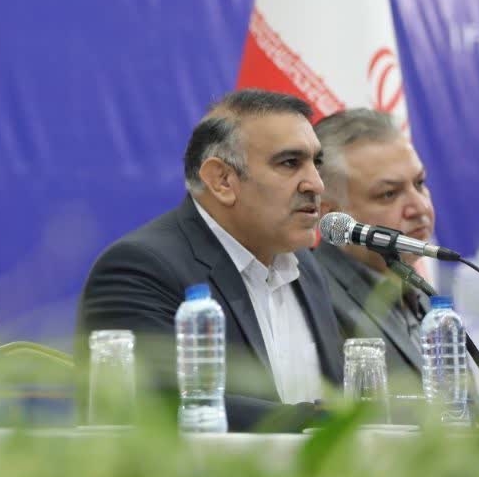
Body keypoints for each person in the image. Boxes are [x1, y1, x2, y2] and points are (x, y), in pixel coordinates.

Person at [77, 88, 343, 431]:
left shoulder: (305, 266)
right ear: (222, 180)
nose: (316, 184)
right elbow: (165, 406)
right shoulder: (138, 269)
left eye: (316, 163)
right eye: (290, 163)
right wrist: (326, 424)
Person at [313, 108, 434, 390]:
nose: (420, 207)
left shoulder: (423, 294)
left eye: (419, 183)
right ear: (331, 216)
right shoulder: (316, 299)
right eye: (388, 194)